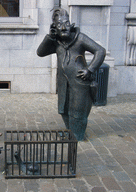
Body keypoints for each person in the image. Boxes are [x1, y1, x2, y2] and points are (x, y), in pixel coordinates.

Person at [37, 8, 106, 141]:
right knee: (64, 109)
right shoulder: (56, 42)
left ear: (71, 24)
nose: (63, 28)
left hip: (80, 82)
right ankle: (71, 132)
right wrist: (50, 37)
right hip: (64, 83)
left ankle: (77, 136)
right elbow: (40, 52)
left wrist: (90, 70)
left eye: (66, 24)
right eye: (59, 25)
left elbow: (100, 51)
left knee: (78, 112)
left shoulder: (80, 38)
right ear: (54, 28)